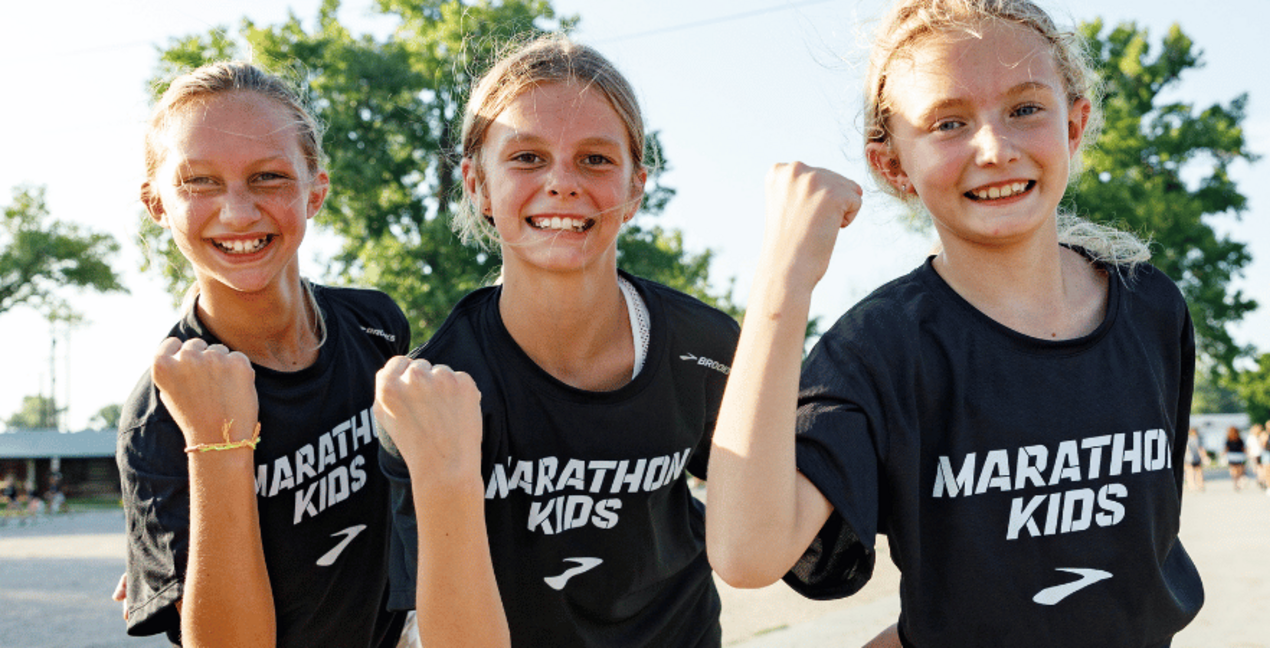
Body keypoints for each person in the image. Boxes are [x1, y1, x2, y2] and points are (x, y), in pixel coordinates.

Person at [704, 1, 1203, 645]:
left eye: (1025, 109)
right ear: (892, 165)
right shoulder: (879, 348)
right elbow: (747, 553)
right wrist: (782, 278)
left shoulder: (1153, 308)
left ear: (1074, 125)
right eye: (948, 122)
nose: (994, 149)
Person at [374, 35, 736, 647]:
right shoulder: (439, 388)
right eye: (526, 158)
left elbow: (765, 535)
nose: (563, 183)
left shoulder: (703, 344)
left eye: (595, 159)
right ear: (478, 184)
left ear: (635, 187)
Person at [116, 61, 409, 647]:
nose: (239, 212)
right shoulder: (158, 417)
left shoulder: (375, 327)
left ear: (315, 191)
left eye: (269, 177)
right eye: (198, 182)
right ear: (157, 204)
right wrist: (216, 446)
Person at [1224, 426, 1248, 492]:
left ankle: (1235, 482)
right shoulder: (1240, 439)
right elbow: (1243, 448)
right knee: (1240, 470)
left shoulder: (1228, 439)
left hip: (1231, 456)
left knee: (1233, 470)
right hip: (1239, 456)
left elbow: (1226, 448)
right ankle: (1239, 481)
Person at [1186, 428, 1209, 492]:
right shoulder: (1198, 439)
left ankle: (1192, 485)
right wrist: (1204, 456)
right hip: (1195, 457)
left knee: (1190, 472)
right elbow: (1201, 449)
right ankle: (1200, 485)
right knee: (1198, 472)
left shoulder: (1187, 439)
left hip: (1190, 458)